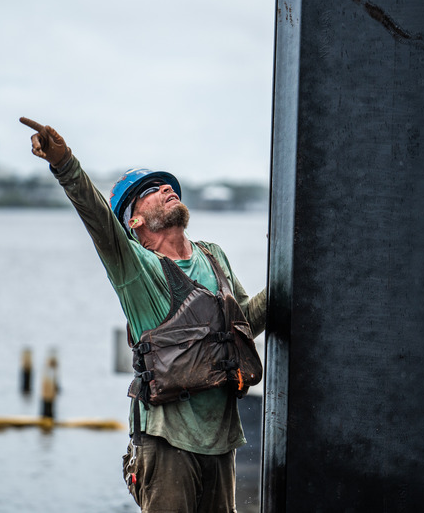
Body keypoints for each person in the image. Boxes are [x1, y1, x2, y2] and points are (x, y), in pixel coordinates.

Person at [20, 117, 266, 513]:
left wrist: (295, 273)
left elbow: (242, 328)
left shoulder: (213, 256)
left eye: (168, 185)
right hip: (167, 445)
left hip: (221, 442)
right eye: (152, 190)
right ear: (133, 221)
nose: (167, 187)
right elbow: (98, 219)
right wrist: (65, 164)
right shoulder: (137, 269)